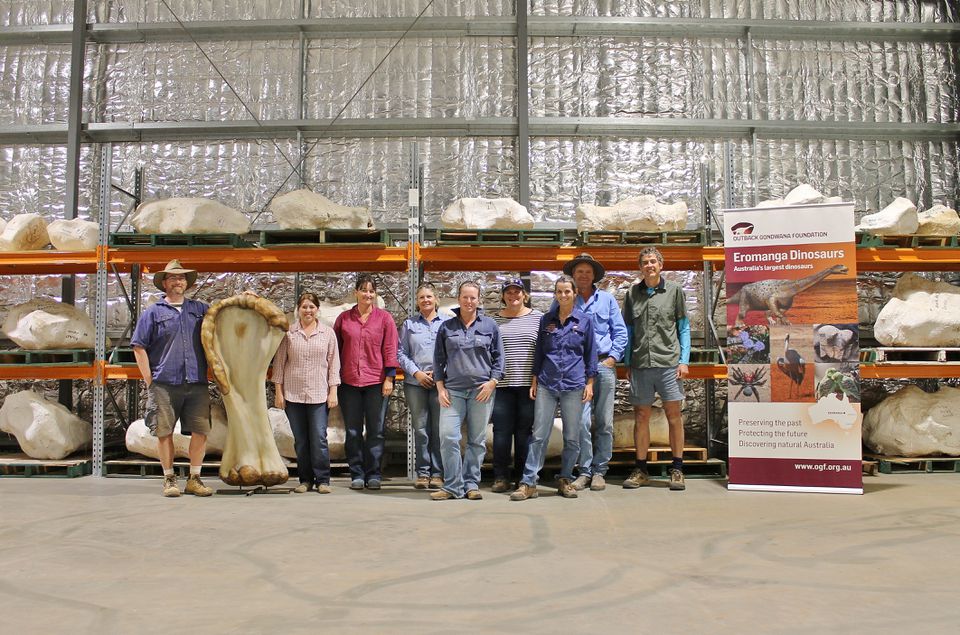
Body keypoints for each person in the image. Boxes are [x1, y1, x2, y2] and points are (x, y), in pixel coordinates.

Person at [131, 259, 214, 498]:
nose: (179, 281)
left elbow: (223, 317)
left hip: (196, 382)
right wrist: (150, 381)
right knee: (164, 432)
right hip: (164, 383)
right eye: (174, 278)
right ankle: (169, 478)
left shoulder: (199, 310)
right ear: (164, 283)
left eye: (182, 278)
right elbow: (139, 346)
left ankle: (194, 479)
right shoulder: (153, 313)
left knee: (200, 431)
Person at [511, 276, 596, 501]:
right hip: (547, 383)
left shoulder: (585, 321)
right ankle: (528, 482)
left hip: (574, 384)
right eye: (559, 292)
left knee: (572, 437)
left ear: (574, 293)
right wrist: (534, 379)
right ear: (555, 295)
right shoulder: (546, 320)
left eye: (567, 291)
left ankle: (565, 478)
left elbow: (591, 354)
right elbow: (539, 350)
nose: (563, 296)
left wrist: (590, 383)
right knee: (539, 434)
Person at [621, 246, 691, 492]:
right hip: (641, 365)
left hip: (668, 364)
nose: (649, 265)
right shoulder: (632, 294)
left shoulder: (674, 291)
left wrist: (684, 360)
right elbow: (628, 330)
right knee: (641, 417)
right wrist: (628, 361)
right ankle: (641, 469)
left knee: (674, 415)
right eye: (645, 262)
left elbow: (683, 327)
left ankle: (677, 469)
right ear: (640, 268)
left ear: (661, 265)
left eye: (653, 261)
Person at [431, 281, 504, 501]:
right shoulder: (447, 327)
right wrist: (440, 388)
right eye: (465, 297)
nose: (469, 301)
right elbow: (438, 360)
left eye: (473, 297)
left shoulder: (490, 326)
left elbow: (499, 358)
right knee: (448, 436)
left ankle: (471, 484)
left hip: (481, 392)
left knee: (476, 440)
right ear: (459, 298)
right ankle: (453, 485)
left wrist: (492, 382)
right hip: (453, 392)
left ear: (478, 299)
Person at [562, 253, 628, 492]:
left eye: (587, 272)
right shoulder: (565, 298)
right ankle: (584, 470)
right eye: (579, 271)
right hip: (576, 369)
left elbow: (620, 331)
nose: (583, 275)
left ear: (594, 276)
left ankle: (600, 471)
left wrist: (612, 358)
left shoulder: (607, 300)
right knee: (580, 422)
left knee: (604, 422)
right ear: (573, 275)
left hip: (603, 366)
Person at [333, 274, 399, 491]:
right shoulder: (344, 319)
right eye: (363, 290)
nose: (367, 294)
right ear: (356, 292)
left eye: (371, 291)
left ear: (375, 294)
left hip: (376, 382)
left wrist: (389, 378)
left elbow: (390, 348)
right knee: (352, 431)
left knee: (376, 430)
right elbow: (335, 351)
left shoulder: (384, 318)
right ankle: (357, 473)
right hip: (349, 383)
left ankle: (373, 474)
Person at [273, 291, 340, 495]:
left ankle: (323, 479)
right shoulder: (289, 333)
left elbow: (333, 363)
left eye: (311, 307)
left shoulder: (327, 333)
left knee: (318, 437)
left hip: (318, 394)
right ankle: (305, 479)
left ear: (317, 310)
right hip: (293, 394)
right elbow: (279, 364)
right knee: (300, 440)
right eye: (304, 307)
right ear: (298, 310)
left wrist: (333, 391)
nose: (308, 310)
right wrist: (278, 392)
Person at [490, 278, 542, 493]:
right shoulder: (494, 321)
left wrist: (536, 378)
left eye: (517, 292)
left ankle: (523, 476)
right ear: (503, 296)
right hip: (502, 385)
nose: (513, 296)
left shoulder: (538, 318)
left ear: (525, 295)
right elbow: (490, 352)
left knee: (524, 432)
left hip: (527, 385)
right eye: (509, 292)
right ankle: (501, 476)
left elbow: (542, 351)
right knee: (501, 432)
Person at [397, 283, 448, 490]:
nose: (425, 300)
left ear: (436, 299)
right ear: (417, 302)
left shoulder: (447, 323)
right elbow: (401, 353)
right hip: (415, 384)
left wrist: (439, 374)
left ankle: (437, 473)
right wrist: (417, 373)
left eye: (429, 296)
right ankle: (423, 472)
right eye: (421, 298)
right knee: (421, 429)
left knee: (438, 429)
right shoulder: (409, 325)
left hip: (440, 383)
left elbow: (453, 351)